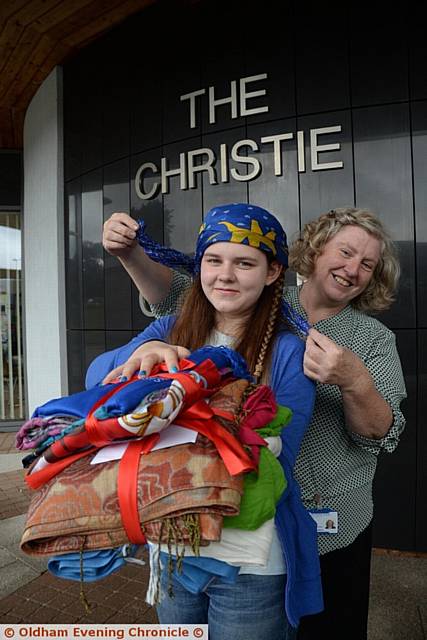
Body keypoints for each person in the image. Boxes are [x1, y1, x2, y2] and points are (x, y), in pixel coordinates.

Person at [103, 206, 407, 640]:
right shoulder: (259, 297)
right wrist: (130, 254)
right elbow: (178, 297)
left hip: (333, 519)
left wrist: (354, 380)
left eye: (367, 264)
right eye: (345, 252)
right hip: (240, 516)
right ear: (316, 251)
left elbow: (382, 431)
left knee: (330, 628)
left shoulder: (372, 339)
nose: (352, 269)